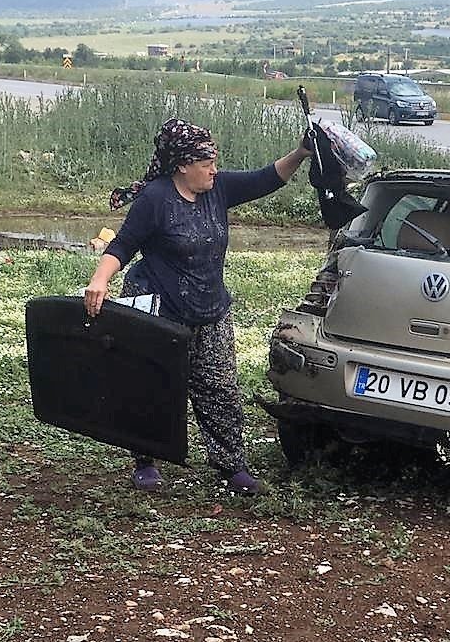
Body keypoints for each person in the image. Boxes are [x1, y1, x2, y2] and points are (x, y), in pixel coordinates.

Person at [84, 117, 314, 495]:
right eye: (206, 162)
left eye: (214, 161)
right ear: (182, 166)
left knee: (219, 387)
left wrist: (302, 152)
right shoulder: (155, 199)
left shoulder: (217, 189)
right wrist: (100, 279)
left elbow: (266, 178)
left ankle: (231, 467)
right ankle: (145, 458)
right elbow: (122, 245)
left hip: (210, 309)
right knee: (152, 386)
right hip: (160, 311)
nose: (214, 169)